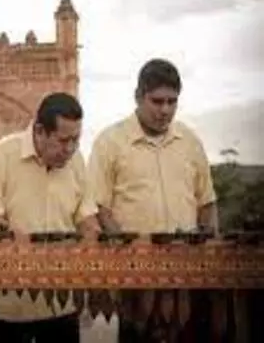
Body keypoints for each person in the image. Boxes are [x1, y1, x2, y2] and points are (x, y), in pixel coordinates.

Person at [87, 58, 218, 341]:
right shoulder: (109, 142)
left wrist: (208, 249)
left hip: (187, 272)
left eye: (172, 102)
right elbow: (99, 207)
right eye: (157, 101)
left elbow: (206, 202)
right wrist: (129, 252)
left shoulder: (190, 141)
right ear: (138, 96)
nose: (165, 110)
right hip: (136, 276)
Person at [0, 92, 100, 343]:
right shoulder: (4, 153)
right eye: (63, 141)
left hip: (62, 303)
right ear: (40, 131)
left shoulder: (76, 162)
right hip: (11, 302)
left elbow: (86, 218)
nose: (71, 149)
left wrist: (90, 245)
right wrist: (16, 239)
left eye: (76, 140)